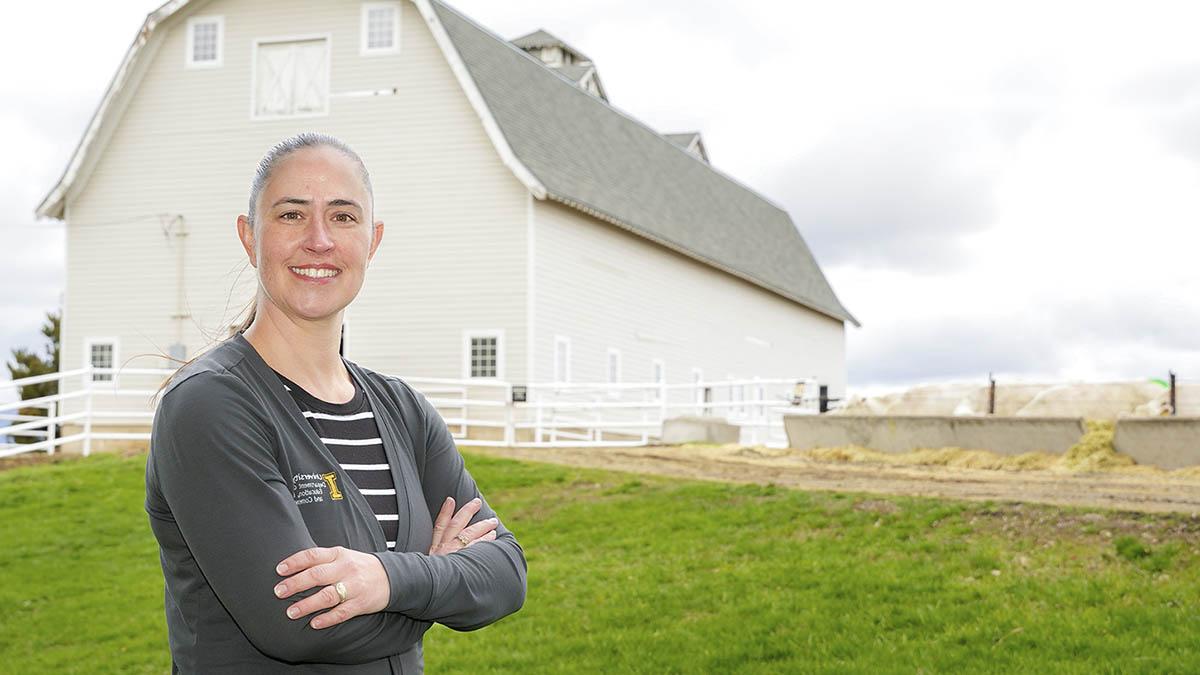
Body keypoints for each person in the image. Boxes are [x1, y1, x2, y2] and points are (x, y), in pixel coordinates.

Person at [144, 132, 527, 673]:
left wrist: (387, 579)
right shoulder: (211, 405)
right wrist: (438, 581)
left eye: (344, 217)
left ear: (372, 240)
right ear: (249, 237)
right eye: (292, 215)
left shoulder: (404, 412)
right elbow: (298, 624)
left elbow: (506, 574)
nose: (319, 240)